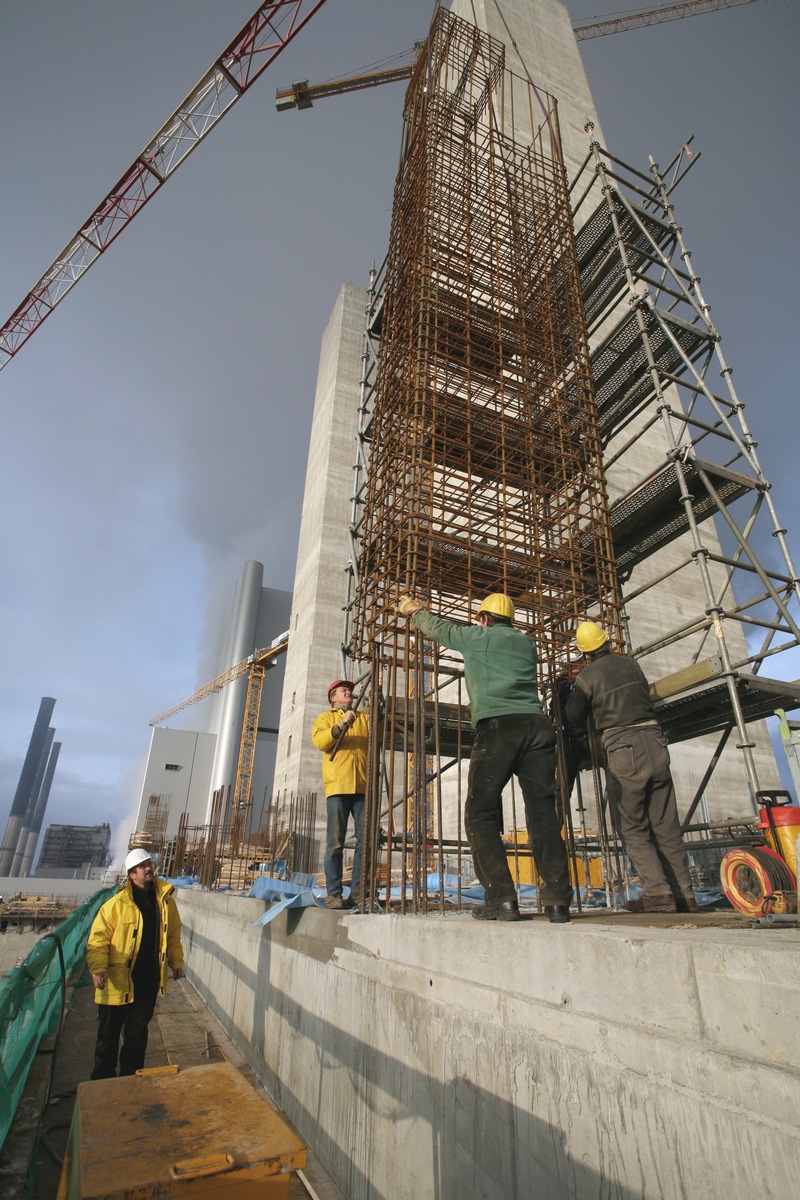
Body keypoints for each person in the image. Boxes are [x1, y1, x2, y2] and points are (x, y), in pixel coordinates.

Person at [396, 592, 574, 923]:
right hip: (537, 727)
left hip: (499, 726)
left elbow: (440, 629)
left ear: (485, 618)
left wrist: (414, 611)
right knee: (543, 813)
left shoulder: (479, 636)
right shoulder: (526, 644)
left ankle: (501, 898)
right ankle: (557, 902)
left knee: (480, 812)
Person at [565, 621, 697, 913]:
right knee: (666, 824)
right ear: (607, 642)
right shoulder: (632, 664)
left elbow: (573, 714)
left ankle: (659, 894)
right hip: (655, 740)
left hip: (624, 745)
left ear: (584, 652)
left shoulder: (588, 676)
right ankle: (684, 895)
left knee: (631, 825)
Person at [86, 847, 184, 1079]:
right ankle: (102, 1081)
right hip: (117, 982)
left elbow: (172, 936)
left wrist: (176, 963)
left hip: (147, 980)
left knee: (137, 1034)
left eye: (149, 864)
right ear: (132, 874)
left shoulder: (165, 902)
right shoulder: (115, 905)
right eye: (142, 866)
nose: (148, 869)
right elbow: (97, 939)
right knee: (108, 1035)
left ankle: (130, 1078)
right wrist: (98, 968)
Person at [311, 679, 370, 909]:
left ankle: (357, 892)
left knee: (365, 842)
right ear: (333, 698)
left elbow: (381, 729)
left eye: (349, 690)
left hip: (361, 785)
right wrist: (338, 728)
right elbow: (320, 740)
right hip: (337, 786)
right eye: (343, 690)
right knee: (335, 842)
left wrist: (378, 706)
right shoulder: (326, 718)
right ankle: (334, 893)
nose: (349, 692)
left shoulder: (361, 718)